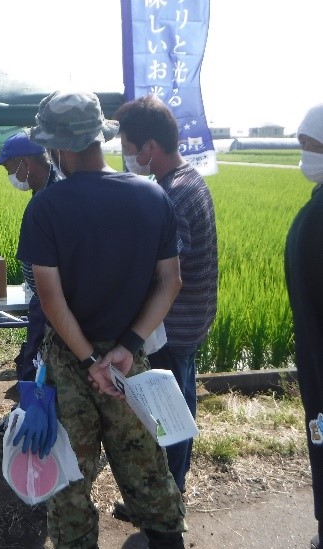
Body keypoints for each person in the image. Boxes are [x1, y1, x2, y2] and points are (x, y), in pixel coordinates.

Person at [17, 90, 186, 548]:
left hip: (71, 363)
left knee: (68, 476)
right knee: (147, 468)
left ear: (58, 148)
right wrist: (127, 346)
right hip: (129, 360)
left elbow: (50, 301)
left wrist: (90, 358)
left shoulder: (46, 208)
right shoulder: (152, 197)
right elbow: (170, 282)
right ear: (98, 138)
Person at [113, 96, 218, 502]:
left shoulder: (171, 194)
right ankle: (171, 490)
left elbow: (165, 276)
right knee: (178, 405)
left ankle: (167, 498)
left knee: (169, 414)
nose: (127, 157)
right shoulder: (188, 180)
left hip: (174, 327)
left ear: (149, 148)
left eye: (128, 148)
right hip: (190, 321)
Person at [0, 130, 62, 435]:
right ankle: (28, 417)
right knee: (34, 359)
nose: (9, 175)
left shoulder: (53, 198)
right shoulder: (44, 191)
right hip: (42, 297)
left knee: (36, 362)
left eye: (9, 167)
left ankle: (30, 424)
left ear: (26, 163)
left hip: (50, 300)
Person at [285, 102, 323, 549]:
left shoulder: (315, 219)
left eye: (311, 147)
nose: (305, 156)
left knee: (321, 435)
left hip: (319, 372)